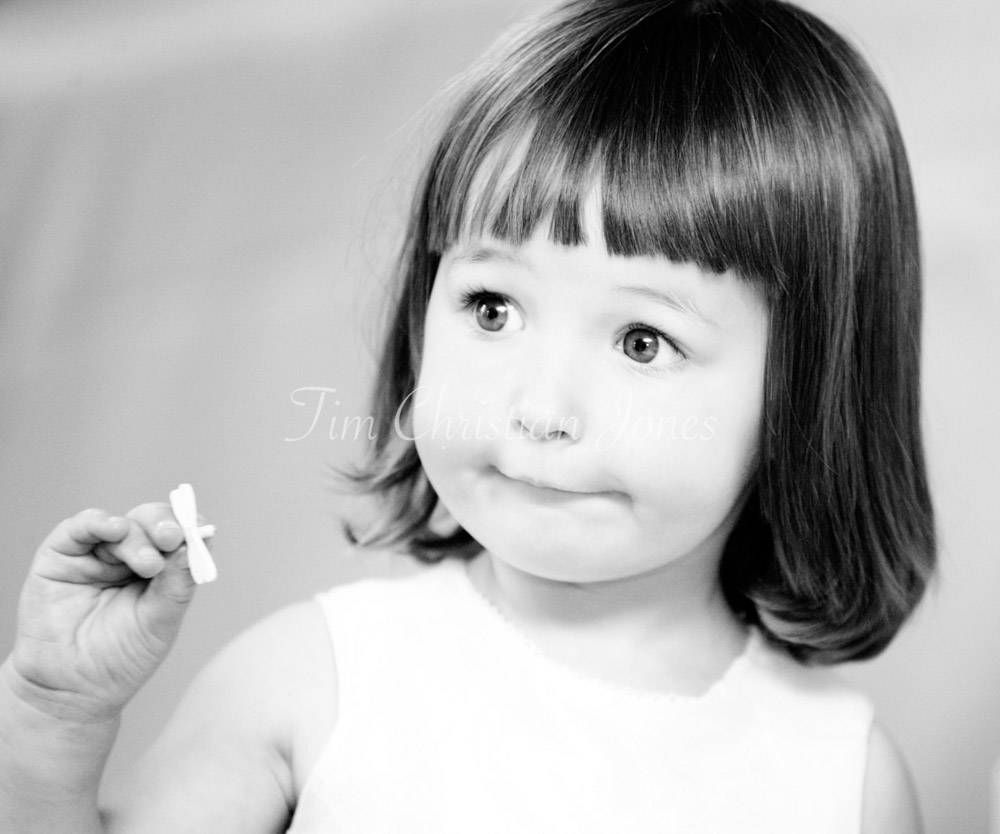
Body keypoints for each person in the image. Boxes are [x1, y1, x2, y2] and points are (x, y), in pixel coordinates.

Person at [0, 0, 936, 831]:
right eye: (493, 308)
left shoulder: (843, 782)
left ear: (808, 394)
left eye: (643, 341)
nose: (538, 407)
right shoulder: (313, 681)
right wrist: (55, 721)